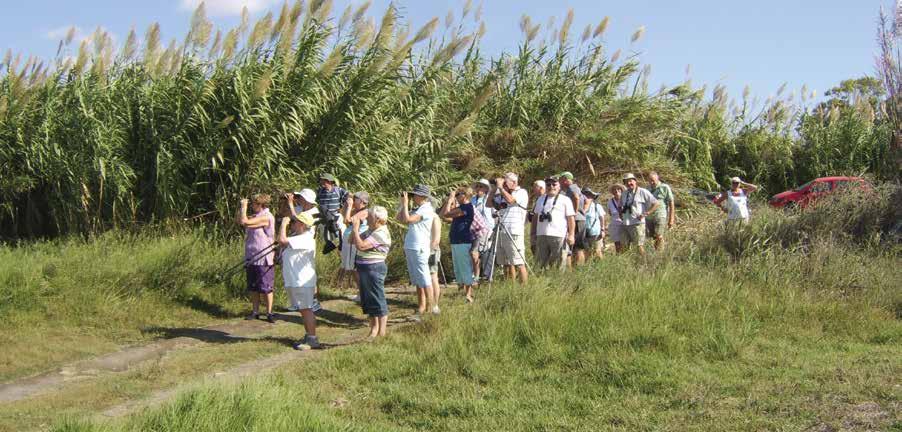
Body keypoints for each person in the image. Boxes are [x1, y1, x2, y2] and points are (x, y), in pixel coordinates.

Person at [277, 213, 320, 350]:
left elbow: (282, 241)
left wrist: (283, 224)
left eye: (294, 221)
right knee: (303, 309)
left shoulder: (306, 238)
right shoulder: (298, 237)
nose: (292, 223)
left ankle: (312, 339)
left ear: (302, 224)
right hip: (295, 280)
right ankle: (308, 336)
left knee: (306, 309)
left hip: (302, 281)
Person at [397, 184, 439, 321]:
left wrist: (405, 204)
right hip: (411, 247)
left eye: (414, 194)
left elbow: (409, 219)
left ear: (422, 196)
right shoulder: (418, 208)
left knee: (425, 279)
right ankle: (421, 307)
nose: (412, 197)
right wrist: (402, 205)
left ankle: (432, 308)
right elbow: (401, 219)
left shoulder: (426, 209)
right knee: (417, 280)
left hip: (419, 247)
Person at [350, 206, 392, 339]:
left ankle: (381, 332)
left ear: (378, 219)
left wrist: (356, 228)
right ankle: (374, 329)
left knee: (377, 298)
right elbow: (351, 240)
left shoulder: (381, 233)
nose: (367, 218)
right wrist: (354, 227)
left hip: (374, 268)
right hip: (365, 268)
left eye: (370, 216)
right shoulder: (371, 230)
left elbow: (361, 245)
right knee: (368, 299)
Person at [236, 194, 277, 323]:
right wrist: (240, 208)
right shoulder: (256, 216)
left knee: (265, 286)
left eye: (254, 203)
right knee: (253, 286)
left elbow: (245, 222)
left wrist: (244, 207)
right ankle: (255, 312)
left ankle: (269, 312)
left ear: (261, 205)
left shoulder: (266, 217)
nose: (252, 206)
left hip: (263, 257)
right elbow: (240, 221)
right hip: (252, 255)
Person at [488, 172, 529, 284]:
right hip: (501, 230)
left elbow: (511, 200)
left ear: (514, 182)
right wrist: (493, 189)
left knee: (518, 261)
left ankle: (524, 289)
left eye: (506, 182)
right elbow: (488, 204)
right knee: (505, 262)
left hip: (514, 230)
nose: (504, 184)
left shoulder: (521, 192)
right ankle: (510, 287)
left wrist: (501, 188)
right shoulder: (501, 193)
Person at [530, 177, 575, 269]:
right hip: (541, 234)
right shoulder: (540, 199)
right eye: (548, 185)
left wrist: (571, 235)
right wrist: (533, 233)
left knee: (558, 262)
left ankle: (557, 279)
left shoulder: (565, 199)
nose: (551, 187)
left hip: (558, 235)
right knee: (540, 263)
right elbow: (535, 218)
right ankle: (541, 280)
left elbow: (571, 219)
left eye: (554, 184)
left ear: (559, 187)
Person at [441, 186, 476, 302]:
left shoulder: (467, 207)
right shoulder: (460, 207)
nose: (456, 196)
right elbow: (443, 216)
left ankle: (469, 295)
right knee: (458, 268)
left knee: (465, 267)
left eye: (458, 195)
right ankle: (462, 293)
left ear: (464, 195)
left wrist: (451, 199)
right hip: (456, 241)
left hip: (463, 241)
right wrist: (449, 201)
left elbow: (446, 214)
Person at [619, 173, 660, 256]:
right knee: (624, 246)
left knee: (638, 246)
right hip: (625, 223)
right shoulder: (624, 194)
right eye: (626, 182)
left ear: (635, 181)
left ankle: (645, 263)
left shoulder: (643, 191)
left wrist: (647, 213)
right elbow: (621, 206)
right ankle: (627, 265)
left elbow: (656, 203)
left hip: (637, 224)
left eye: (631, 181)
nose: (629, 183)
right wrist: (621, 214)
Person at [339, 191, 370, 293]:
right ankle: (362, 293)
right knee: (352, 269)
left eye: (355, 199)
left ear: (362, 201)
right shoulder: (355, 211)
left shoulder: (365, 212)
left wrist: (350, 206)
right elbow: (343, 215)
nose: (354, 201)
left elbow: (347, 220)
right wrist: (347, 204)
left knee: (356, 269)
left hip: (355, 244)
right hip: (349, 243)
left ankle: (363, 293)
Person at [558, 171, 587, 266]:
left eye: (560, 180)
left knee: (577, 246)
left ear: (565, 180)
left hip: (577, 220)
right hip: (580, 219)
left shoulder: (572, 187)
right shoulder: (574, 188)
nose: (559, 182)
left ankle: (578, 268)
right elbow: (586, 200)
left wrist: (574, 213)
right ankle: (577, 268)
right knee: (576, 246)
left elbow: (576, 197)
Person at [316, 173, 348, 252]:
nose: (322, 183)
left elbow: (349, 197)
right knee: (324, 237)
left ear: (330, 181)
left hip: (336, 216)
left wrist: (342, 208)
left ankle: (342, 249)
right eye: (322, 181)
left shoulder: (339, 190)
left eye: (324, 181)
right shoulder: (319, 191)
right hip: (324, 217)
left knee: (342, 234)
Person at [470, 179, 494, 281]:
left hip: (487, 229)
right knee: (474, 252)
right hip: (474, 230)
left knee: (486, 252)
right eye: (477, 186)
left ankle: (487, 275)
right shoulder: (473, 199)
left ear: (486, 189)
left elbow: (494, 213)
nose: (479, 189)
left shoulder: (489, 199)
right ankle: (475, 275)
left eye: (481, 187)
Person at [647, 172, 675, 251]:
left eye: (653, 180)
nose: (651, 182)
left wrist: (671, 219)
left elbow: (671, 202)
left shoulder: (664, 187)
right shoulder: (647, 189)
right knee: (653, 237)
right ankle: (656, 252)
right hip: (649, 217)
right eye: (650, 181)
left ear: (657, 179)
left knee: (659, 235)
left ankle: (660, 254)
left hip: (660, 215)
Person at [582, 187, 606, 260]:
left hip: (595, 232)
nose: (587, 196)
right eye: (585, 194)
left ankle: (602, 267)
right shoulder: (579, 206)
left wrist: (602, 230)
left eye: (589, 195)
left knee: (597, 251)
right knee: (587, 252)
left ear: (592, 197)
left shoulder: (597, 206)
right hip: (583, 233)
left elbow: (602, 218)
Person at [607, 184, 626, 254]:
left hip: (625, 224)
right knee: (617, 243)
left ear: (621, 190)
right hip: (615, 225)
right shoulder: (610, 202)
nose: (616, 191)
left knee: (625, 242)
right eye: (614, 190)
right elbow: (610, 213)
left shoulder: (626, 200)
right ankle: (619, 256)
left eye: (618, 189)